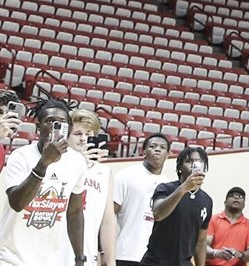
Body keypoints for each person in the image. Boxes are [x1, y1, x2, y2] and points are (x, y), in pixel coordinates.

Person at [0, 99, 86, 266]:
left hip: (50, 259)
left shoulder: (77, 162)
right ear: (39, 127)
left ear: (69, 127)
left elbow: (75, 212)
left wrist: (79, 257)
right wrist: (44, 163)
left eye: (61, 123)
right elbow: (17, 203)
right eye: (50, 121)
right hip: (10, 257)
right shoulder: (21, 156)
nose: (56, 126)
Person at [142, 146, 213, 266]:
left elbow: (201, 240)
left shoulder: (206, 201)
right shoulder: (165, 188)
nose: (193, 165)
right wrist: (183, 188)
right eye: (188, 161)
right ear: (180, 167)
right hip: (154, 262)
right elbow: (158, 214)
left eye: (198, 161)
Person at [68, 110, 117, 266]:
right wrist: (78, 163)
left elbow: (108, 220)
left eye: (88, 134)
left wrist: (110, 261)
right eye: (77, 133)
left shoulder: (103, 172)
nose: (83, 139)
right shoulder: (58, 164)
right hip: (55, 251)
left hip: (87, 254)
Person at [115, 134, 170, 266]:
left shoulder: (169, 185)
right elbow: (110, 214)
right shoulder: (125, 175)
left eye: (162, 147)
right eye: (152, 146)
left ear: (167, 155)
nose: (157, 149)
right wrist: (104, 249)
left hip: (154, 258)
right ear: (143, 152)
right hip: (124, 253)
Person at [205, 188, 249, 264]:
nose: (236, 197)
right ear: (225, 202)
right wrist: (216, 253)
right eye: (232, 195)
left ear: (244, 205)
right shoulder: (212, 220)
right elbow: (202, 246)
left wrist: (240, 255)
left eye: (241, 197)